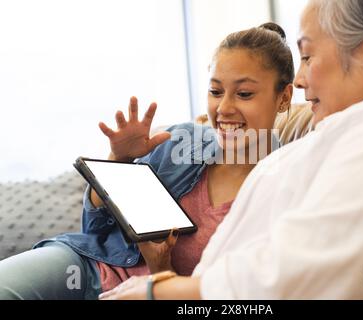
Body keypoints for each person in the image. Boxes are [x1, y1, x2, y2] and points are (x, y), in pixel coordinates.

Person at [99, 0, 363, 300]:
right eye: (216, 90)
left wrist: (159, 290)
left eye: (309, 56)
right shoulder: (340, 138)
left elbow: (301, 271)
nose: (299, 80)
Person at [0, 23, 295, 300]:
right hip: (90, 264)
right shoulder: (182, 141)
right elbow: (95, 229)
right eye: (215, 91)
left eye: (244, 94)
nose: (224, 108)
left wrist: (160, 268)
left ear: (283, 97)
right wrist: (120, 160)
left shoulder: (286, 189)